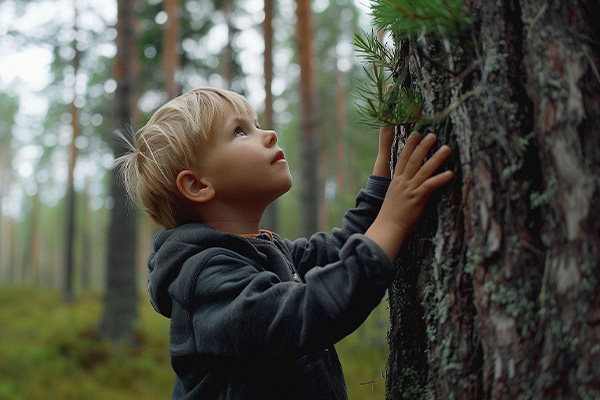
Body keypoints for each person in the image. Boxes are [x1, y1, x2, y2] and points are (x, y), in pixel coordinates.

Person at [115, 87, 454, 400]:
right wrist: (392, 222)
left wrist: (384, 173)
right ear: (197, 185)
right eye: (239, 131)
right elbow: (305, 313)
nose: (270, 134)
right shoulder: (204, 279)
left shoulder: (265, 249)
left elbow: (336, 250)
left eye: (257, 124)